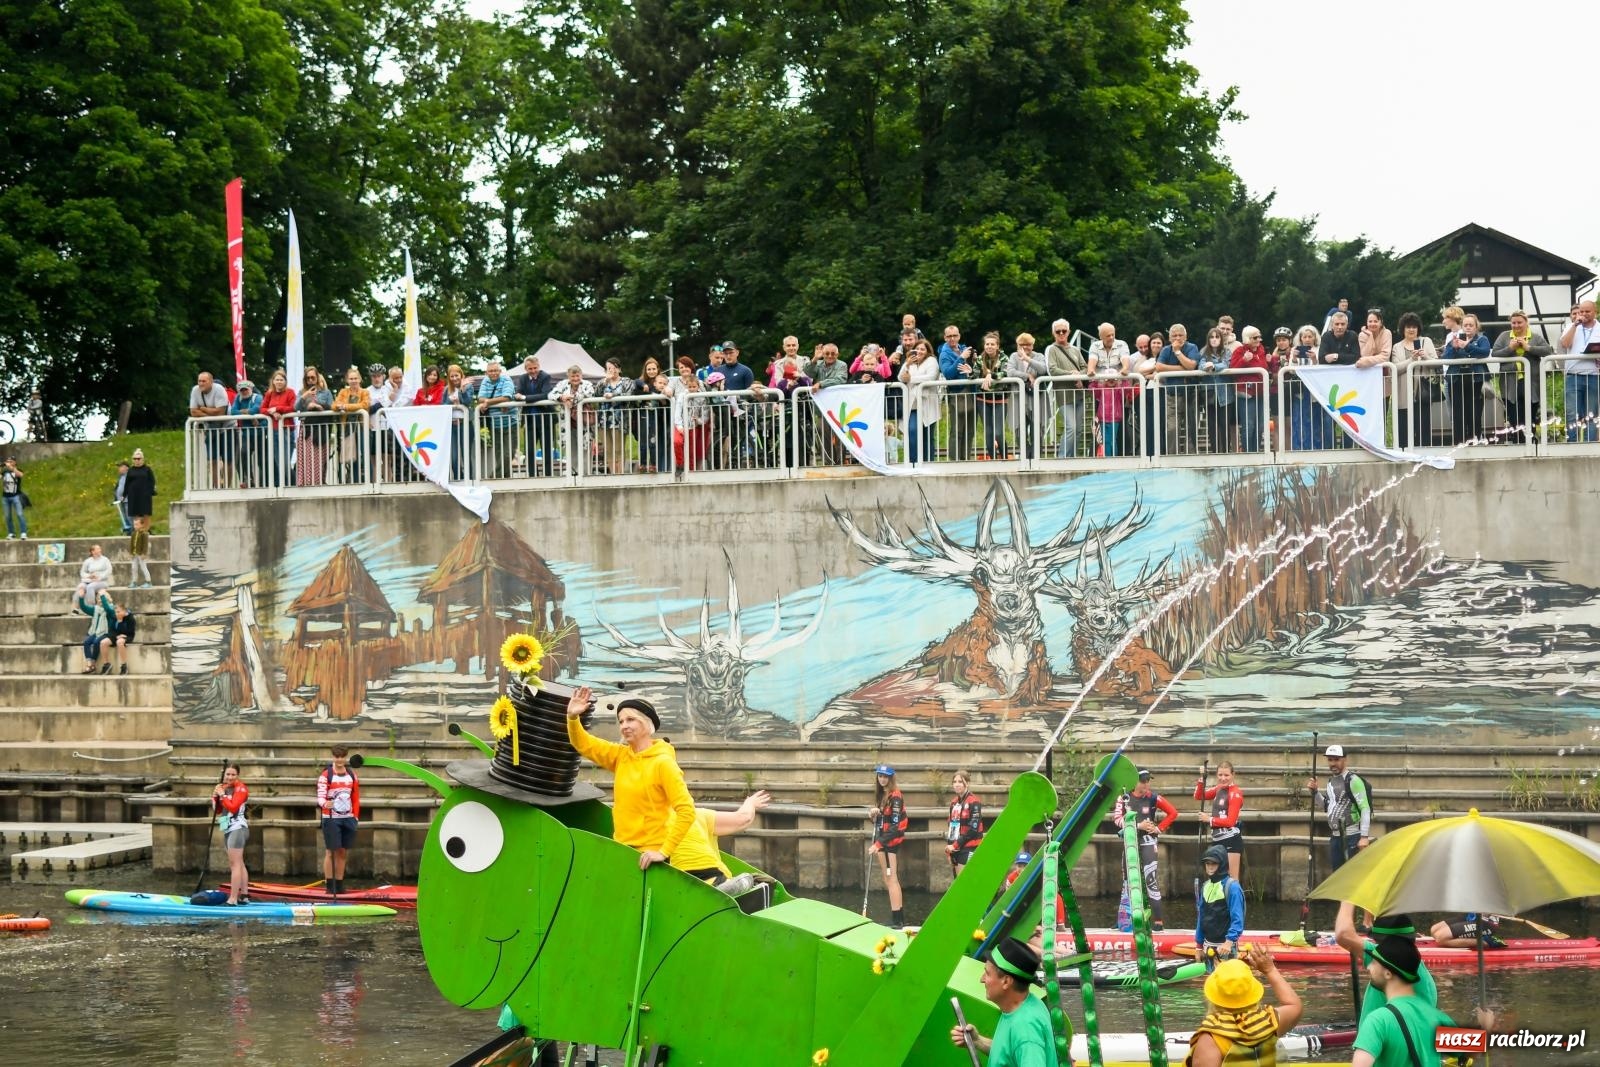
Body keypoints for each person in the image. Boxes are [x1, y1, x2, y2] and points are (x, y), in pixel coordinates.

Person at [564, 686, 727, 881]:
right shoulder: (621, 756)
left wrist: (664, 851)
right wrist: (572, 717)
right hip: (624, 849)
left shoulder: (663, 763)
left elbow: (686, 810)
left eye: (631, 719)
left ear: (647, 723)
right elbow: (584, 744)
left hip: (650, 856)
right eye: (621, 721)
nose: (624, 725)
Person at [947, 937, 1058, 1067]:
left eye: (987, 973)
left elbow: (1026, 1045)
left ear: (1006, 981)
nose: (982, 979)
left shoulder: (1025, 1028)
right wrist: (978, 1041)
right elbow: (1010, 1052)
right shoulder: (1029, 1004)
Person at [1185, 946, 1303, 1067]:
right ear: (1253, 992)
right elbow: (1294, 1005)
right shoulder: (1269, 1021)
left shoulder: (1211, 1040)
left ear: (1212, 997)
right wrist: (1270, 970)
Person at [1349, 936, 1457, 1067]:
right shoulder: (1438, 1018)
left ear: (1388, 974)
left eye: (1374, 962)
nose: (1368, 967)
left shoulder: (1378, 1021)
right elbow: (1472, 1049)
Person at [1333, 906, 1439, 1020]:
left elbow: (1343, 934)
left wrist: (1349, 900)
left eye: (1378, 943)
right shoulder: (1414, 968)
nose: (1369, 967)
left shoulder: (1387, 960)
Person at [1112, 769, 1178, 930]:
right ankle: (1124, 920)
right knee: (1127, 880)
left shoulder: (1153, 797)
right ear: (1134, 781)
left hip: (1148, 841)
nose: (1146, 784)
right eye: (1143, 781)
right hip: (1131, 841)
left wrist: (1159, 829)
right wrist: (1137, 825)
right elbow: (1117, 819)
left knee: (1150, 879)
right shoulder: (1124, 797)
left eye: (1148, 781)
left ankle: (1158, 921)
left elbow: (1173, 813)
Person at [1490, 310, 1551, 444]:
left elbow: (1548, 350)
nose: (1516, 325)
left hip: (1531, 382)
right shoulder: (1504, 336)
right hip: (1509, 382)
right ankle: (1519, 442)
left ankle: (1530, 442)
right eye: (1513, 323)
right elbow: (1495, 353)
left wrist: (1528, 348)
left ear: (1526, 322)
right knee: (1514, 415)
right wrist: (1510, 348)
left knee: (1530, 414)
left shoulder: (1535, 337)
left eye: (1519, 322)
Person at [1307, 743, 1372, 870]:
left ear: (1345, 759)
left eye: (1336, 759)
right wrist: (1315, 793)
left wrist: (1364, 837)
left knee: (1352, 874)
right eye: (1330, 760)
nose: (1333, 763)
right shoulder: (1331, 782)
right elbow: (1326, 806)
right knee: (1337, 874)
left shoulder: (1353, 781)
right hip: (1335, 837)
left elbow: (1365, 808)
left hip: (1352, 837)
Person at [317, 745, 361, 897]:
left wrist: (355, 816)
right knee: (330, 852)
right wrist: (325, 804)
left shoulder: (352, 775)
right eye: (337, 757)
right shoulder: (326, 775)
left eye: (342, 757)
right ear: (333, 757)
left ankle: (339, 885)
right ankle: (330, 886)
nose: (340, 759)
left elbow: (355, 797)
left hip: (348, 818)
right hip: (331, 818)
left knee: (342, 852)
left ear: (346, 757)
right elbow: (320, 797)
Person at [1442, 312, 1491, 445]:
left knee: (1474, 413)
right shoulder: (1455, 339)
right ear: (1462, 327)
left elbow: (1485, 352)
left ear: (1476, 327)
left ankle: (1474, 440)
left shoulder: (1482, 339)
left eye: (1471, 325)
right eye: (1465, 325)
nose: (1468, 327)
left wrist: (1467, 346)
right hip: (1456, 380)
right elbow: (1445, 357)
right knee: (1458, 414)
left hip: (1476, 380)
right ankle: (1459, 443)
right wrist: (1454, 348)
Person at [1389, 313, 1437, 448]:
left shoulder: (1426, 341)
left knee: (1423, 430)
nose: (1411, 330)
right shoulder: (1397, 347)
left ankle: (1423, 455)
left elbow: (1436, 363)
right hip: (1403, 394)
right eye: (1408, 327)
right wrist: (1412, 360)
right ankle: (1403, 455)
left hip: (1422, 394)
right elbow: (1395, 368)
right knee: (1403, 430)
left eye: (1414, 327)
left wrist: (1425, 356)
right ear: (1403, 329)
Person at [1195, 843, 1245, 972]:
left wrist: (1229, 942)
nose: (1210, 867)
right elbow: (1201, 918)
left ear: (1222, 865)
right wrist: (1199, 946)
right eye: (1207, 863)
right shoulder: (1205, 886)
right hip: (1208, 946)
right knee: (1211, 982)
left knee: (1227, 983)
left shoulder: (1232, 887)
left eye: (1214, 863)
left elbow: (1238, 919)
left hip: (1225, 947)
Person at [869, 764, 907, 928]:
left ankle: (898, 920)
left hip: (890, 843)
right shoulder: (882, 795)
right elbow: (882, 821)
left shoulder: (896, 797)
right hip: (882, 841)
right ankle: (897, 917)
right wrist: (874, 814)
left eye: (885, 777)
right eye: (880, 776)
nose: (882, 779)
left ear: (891, 778)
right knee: (887, 878)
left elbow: (895, 826)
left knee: (892, 879)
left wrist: (878, 844)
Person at [1044, 319, 1088, 458]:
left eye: (1064, 331)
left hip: (1079, 394)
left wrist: (1079, 376)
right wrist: (1071, 374)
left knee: (1078, 429)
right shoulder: (1051, 349)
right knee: (1071, 427)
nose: (1061, 333)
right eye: (1058, 331)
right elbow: (1052, 370)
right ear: (1053, 333)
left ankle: (1072, 457)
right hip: (1064, 396)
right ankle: (1062, 458)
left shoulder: (1075, 350)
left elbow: (1085, 368)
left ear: (1069, 332)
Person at [1195, 761, 1244, 882]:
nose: (1223, 778)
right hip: (1217, 840)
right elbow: (1199, 796)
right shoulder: (1218, 788)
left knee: (1232, 879)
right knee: (1217, 878)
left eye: (1226, 775)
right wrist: (1202, 779)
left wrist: (1209, 819)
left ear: (1233, 775)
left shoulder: (1235, 793)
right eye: (1220, 775)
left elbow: (1230, 821)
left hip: (1230, 839)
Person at [1558, 298, 1599, 442]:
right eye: (1581, 311)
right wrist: (1575, 325)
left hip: (1594, 375)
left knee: (1592, 415)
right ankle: (1572, 445)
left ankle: (1589, 444)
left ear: (1595, 312)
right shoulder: (1571, 326)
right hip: (1573, 376)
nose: (1584, 314)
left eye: (1587, 311)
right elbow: (1565, 344)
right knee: (1572, 414)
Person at [899, 337, 941, 464]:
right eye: (917, 348)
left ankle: (928, 463)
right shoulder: (910, 362)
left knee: (927, 436)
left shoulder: (932, 361)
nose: (919, 351)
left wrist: (911, 379)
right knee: (912, 431)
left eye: (922, 349)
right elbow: (900, 377)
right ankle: (913, 462)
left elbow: (931, 377)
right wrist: (907, 364)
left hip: (927, 404)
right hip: (912, 405)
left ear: (927, 351)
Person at [213, 763, 250, 906]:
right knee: (239, 863)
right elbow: (218, 811)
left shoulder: (241, 788)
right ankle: (244, 895)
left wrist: (222, 795)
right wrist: (215, 797)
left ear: (237, 775)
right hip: (227, 827)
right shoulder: (223, 787)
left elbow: (233, 808)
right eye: (228, 774)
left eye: (233, 774)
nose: (230, 777)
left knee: (234, 864)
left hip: (238, 828)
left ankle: (233, 899)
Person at [189, 370, 231, 487]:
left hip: (228, 427)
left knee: (228, 459)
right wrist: (211, 413)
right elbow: (193, 412)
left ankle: (227, 487)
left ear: (211, 382)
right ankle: (216, 486)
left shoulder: (219, 389)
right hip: (210, 428)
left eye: (204, 381)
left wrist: (202, 408)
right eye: (199, 381)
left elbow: (220, 412)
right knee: (212, 459)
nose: (201, 383)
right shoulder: (195, 390)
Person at [517, 356, 556, 476]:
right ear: (525, 368)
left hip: (546, 419)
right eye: (530, 369)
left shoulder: (545, 376)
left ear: (539, 366)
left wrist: (525, 397)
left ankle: (548, 475)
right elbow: (518, 393)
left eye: (535, 368)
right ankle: (532, 475)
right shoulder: (522, 378)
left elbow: (545, 394)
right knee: (529, 450)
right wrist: (520, 396)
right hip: (529, 418)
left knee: (547, 449)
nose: (533, 371)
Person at [294, 368, 333, 486]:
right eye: (308, 378)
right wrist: (305, 396)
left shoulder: (326, 392)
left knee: (320, 457)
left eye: (313, 377)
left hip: (321, 428)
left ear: (317, 377)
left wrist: (318, 406)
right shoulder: (302, 392)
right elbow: (295, 407)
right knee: (307, 457)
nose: (310, 380)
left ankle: (319, 482)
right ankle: (306, 482)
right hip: (307, 428)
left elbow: (332, 407)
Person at [123, 449, 156, 587]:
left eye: (139, 458)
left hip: (145, 494)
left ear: (142, 459)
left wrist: (150, 490)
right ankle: (137, 528)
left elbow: (152, 481)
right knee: (136, 513)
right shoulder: (130, 471)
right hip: (134, 494)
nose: (137, 461)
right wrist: (125, 494)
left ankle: (145, 530)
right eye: (135, 458)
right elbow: (127, 483)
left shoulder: (147, 469)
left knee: (146, 512)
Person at [332, 367, 371, 482]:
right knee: (353, 456)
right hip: (348, 427)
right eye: (351, 379)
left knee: (365, 454)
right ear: (347, 380)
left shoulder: (365, 392)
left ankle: (370, 482)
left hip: (362, 426)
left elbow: (364, 405)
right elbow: (334, 405)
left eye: (355, 378)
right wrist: (340, 406)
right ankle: (355, 482)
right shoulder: (343, 392)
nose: (353, 381)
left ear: (360, 379)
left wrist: (345, 406)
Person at [260, 369, 297, 486]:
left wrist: (277, 409)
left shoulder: (290, 392)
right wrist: (272, 413)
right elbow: (262, 409)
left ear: (285, 381)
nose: (279, 382)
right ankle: (284, 486)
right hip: (274, 431)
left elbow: (293, 407)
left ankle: (293, 484)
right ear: (273, 381)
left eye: (281, 380)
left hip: (287, 430)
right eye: (277, 380)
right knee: (278, 461)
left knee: (285, 462)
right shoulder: (269, 393)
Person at [944, 769, 984, 877]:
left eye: (960, 782)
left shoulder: (974, 802)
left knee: (965, 881)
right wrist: (950, 849)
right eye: (954, 782)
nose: (957, 784)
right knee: (957, 882)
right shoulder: (953, 802)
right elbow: (951, 827)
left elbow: (973, 830)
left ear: (967, 783)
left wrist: (955, 845)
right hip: (955, 847)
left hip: (969, 846)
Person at [228, 379, 264, 487]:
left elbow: (255, 409)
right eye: (242, 390)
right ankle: (249, 479)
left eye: (246, 389)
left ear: (251, 389)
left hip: (261, 432)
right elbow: (233, 412)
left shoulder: (257, 397)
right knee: (243, 454)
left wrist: (243, 412)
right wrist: (249, 415)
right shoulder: (238, 398)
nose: (244, 392)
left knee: (262, 459)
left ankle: (265, 482)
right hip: (247, 434)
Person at [80, 590, 117, 674]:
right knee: (86, 642)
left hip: (106, 633)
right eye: (98, 598)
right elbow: (84, 608)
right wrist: (81, 598)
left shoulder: (112, 609)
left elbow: (107, 609)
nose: (100, 599)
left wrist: (103, 596)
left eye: (102, 598)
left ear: (108, 599)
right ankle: (89, 664)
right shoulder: (96, 609)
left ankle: (92, 664)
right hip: (96, 633)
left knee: (96, 642)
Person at [1429, 913, 1506, 950]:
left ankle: (1485, 942)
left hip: (1486, 923)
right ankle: (1474, 937)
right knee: (1434, 930)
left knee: (1441, 938)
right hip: (1471, 916)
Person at [98, 603, 136, 676]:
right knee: (103, 642)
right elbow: (111, 630)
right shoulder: (114, 617)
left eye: (118, 612)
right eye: (116, 612)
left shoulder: (131, 618)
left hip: (127, 636)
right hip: (115, 636)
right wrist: (116, 636)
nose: (117, 614)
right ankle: (107, 664)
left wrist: (120, 622)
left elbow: (130, 631)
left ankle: (124, 666)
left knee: (119, 642)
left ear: (124, 611)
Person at [2, 456, 26, 540]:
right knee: (7, 516)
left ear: (15, 462)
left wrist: (11, 467)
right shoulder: (4, 472)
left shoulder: (18, 470)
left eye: (11, 461)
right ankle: (11, 533)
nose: (9, 462)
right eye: (8, 461)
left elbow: (20, 475)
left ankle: (23, 533)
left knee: (19, 514)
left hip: (16, 496)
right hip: (5, 497)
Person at [112, 462, 132, 534]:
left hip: (128, 500)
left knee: (129, 516)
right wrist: (116, 497)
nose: (119, 469)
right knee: (124, 516)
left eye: (121, 467)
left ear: (126, 468)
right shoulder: (121, 477)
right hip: (121, 501)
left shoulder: (130, 476)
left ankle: (133, 530)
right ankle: (128, 530)